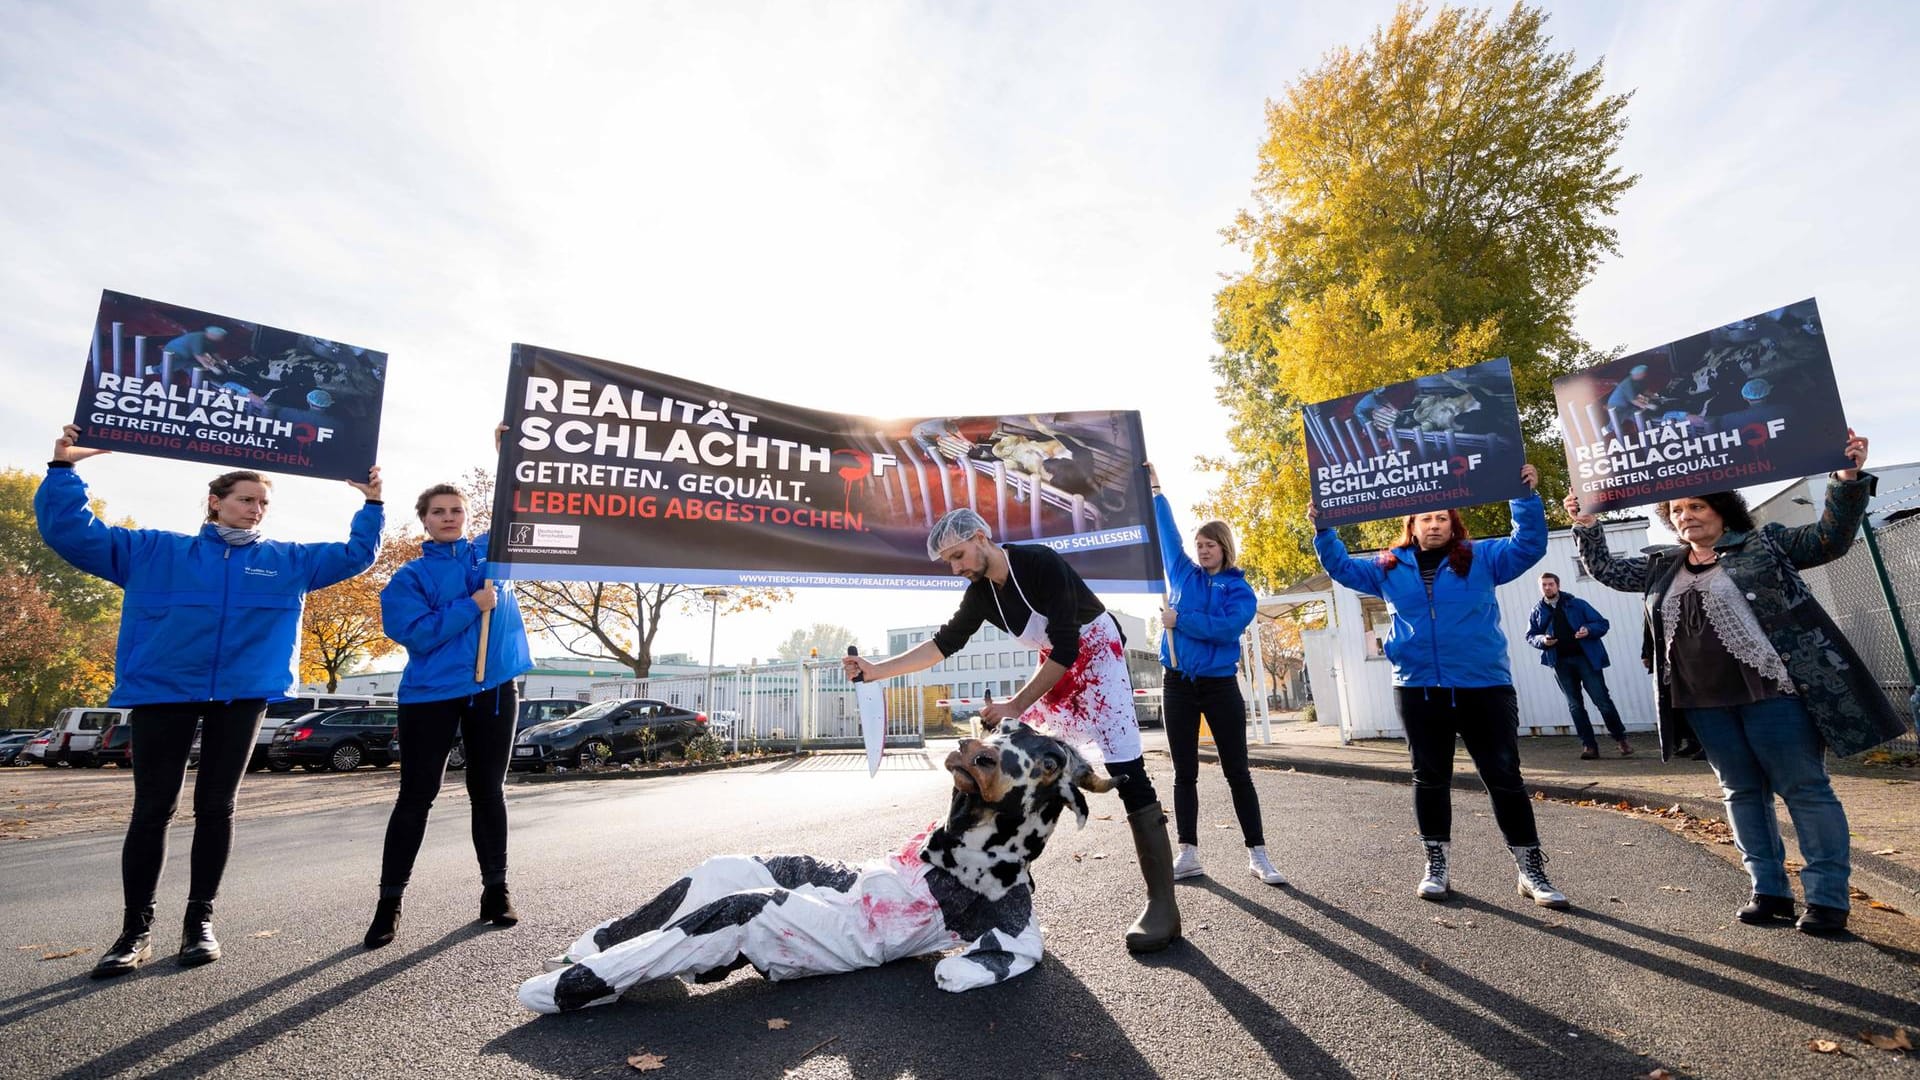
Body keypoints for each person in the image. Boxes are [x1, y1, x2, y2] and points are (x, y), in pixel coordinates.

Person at [35, 424, 382, 977]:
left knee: (216, 807)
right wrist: (64, 471)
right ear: (215, 502)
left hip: (241, 696)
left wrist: (372, 502)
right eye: (246, 499)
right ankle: (134, 931)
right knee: (153, 809)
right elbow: (71, 532)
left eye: (263, 502)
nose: (256, 509)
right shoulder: (152, 550)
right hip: (163, 691)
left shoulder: (289, 560)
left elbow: (354, 555)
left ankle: (199, 922)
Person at [1567, 430, 1905, 935]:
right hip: (1701, 701)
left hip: (1772, 693)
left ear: (1724, 510)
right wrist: (1585, 522)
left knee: (1805, 789)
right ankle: (1768, 891)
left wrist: (1847, 477)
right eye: (1677, 510)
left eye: (1697, 505)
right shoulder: (1664, 565)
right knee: (1741, 793)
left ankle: (1828, 898)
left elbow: (1830, 538)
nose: (1686, 516)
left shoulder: (1764, 545)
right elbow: (1609, 570)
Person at [842, 507, 1180, 951]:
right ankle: (1002, 895)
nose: (957, 567)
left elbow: (1068, 643)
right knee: (1007, 770)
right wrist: (875, 670)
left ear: (982, 537)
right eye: (949, 561)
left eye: (959, 555)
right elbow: (943, 643)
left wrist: (1015, 705)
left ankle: (1163, 908)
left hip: (1095, 654)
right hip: (1054, 668)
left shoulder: (1039, 563)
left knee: (1126, 770)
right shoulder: (982, 593)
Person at [1311, 465, 1570, 908]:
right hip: (1417, 688)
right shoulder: (1387, 567)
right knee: (1429, 778)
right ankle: (1437, 865)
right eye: (1425, 519)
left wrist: (1523, 496)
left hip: (1484, 685)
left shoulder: (1483, 557)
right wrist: (1325, 527)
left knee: (1503, 777)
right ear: (1411, 525)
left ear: (1454, 523)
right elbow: (1338, 565)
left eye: (1442, 518)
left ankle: (1531, 870)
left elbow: (1529, 544)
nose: (1434, 525)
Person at [364, 437, 532, 948]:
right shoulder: (409, 576)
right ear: (424, 520)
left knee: (489, 792)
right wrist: (471, 604)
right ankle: (389, 902)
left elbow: (518, 503)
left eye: (457, 510)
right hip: (430, 695)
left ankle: (496, 890)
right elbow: (413, 632)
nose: (449, 517)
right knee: (416, 797)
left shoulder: (491, 552)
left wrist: (511, 454)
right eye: (438, 511)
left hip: (494, 689)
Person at [1146, 463, 1281, 886]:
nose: (1202, 551)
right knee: (1184, 772)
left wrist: (1178, 620)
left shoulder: (1239, 589)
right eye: (1199, 545)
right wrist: (1156, 489)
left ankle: (1258, 855)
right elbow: (1166, 533)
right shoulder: (1183, 573)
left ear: (1224, 548)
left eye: (1209, 545)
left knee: (1236, 770)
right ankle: (1188, 853)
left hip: (1220, 686)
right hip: (1178, 685)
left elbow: (1226, 628)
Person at [1525, 571, 1633, 759]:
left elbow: (1602, 623)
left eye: (1550, 584)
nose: (1547, 587)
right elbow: (1530, 636)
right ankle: (1589, 746)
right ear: (1540, 587)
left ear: (1558, 585)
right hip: (1560, 663)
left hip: (1586, 660)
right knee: (1575, 706)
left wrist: (1588, 630)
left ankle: (1621, 740)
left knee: (1603, 702)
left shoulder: (1577, 604)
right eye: (1544, 585)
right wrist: (1543, 640)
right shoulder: (1537, 610)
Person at [160, 326, 230, 375]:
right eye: (220, 337)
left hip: (186, 356)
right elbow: (198, 355)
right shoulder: (198, 338)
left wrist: (224, 364)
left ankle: (194, 383)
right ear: (211, 334)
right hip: (175, 354)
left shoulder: (210, 341)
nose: (221, 339)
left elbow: (214, 353)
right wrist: (212, 368)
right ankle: (152, 370)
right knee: (173, 366)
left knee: (195, 368)